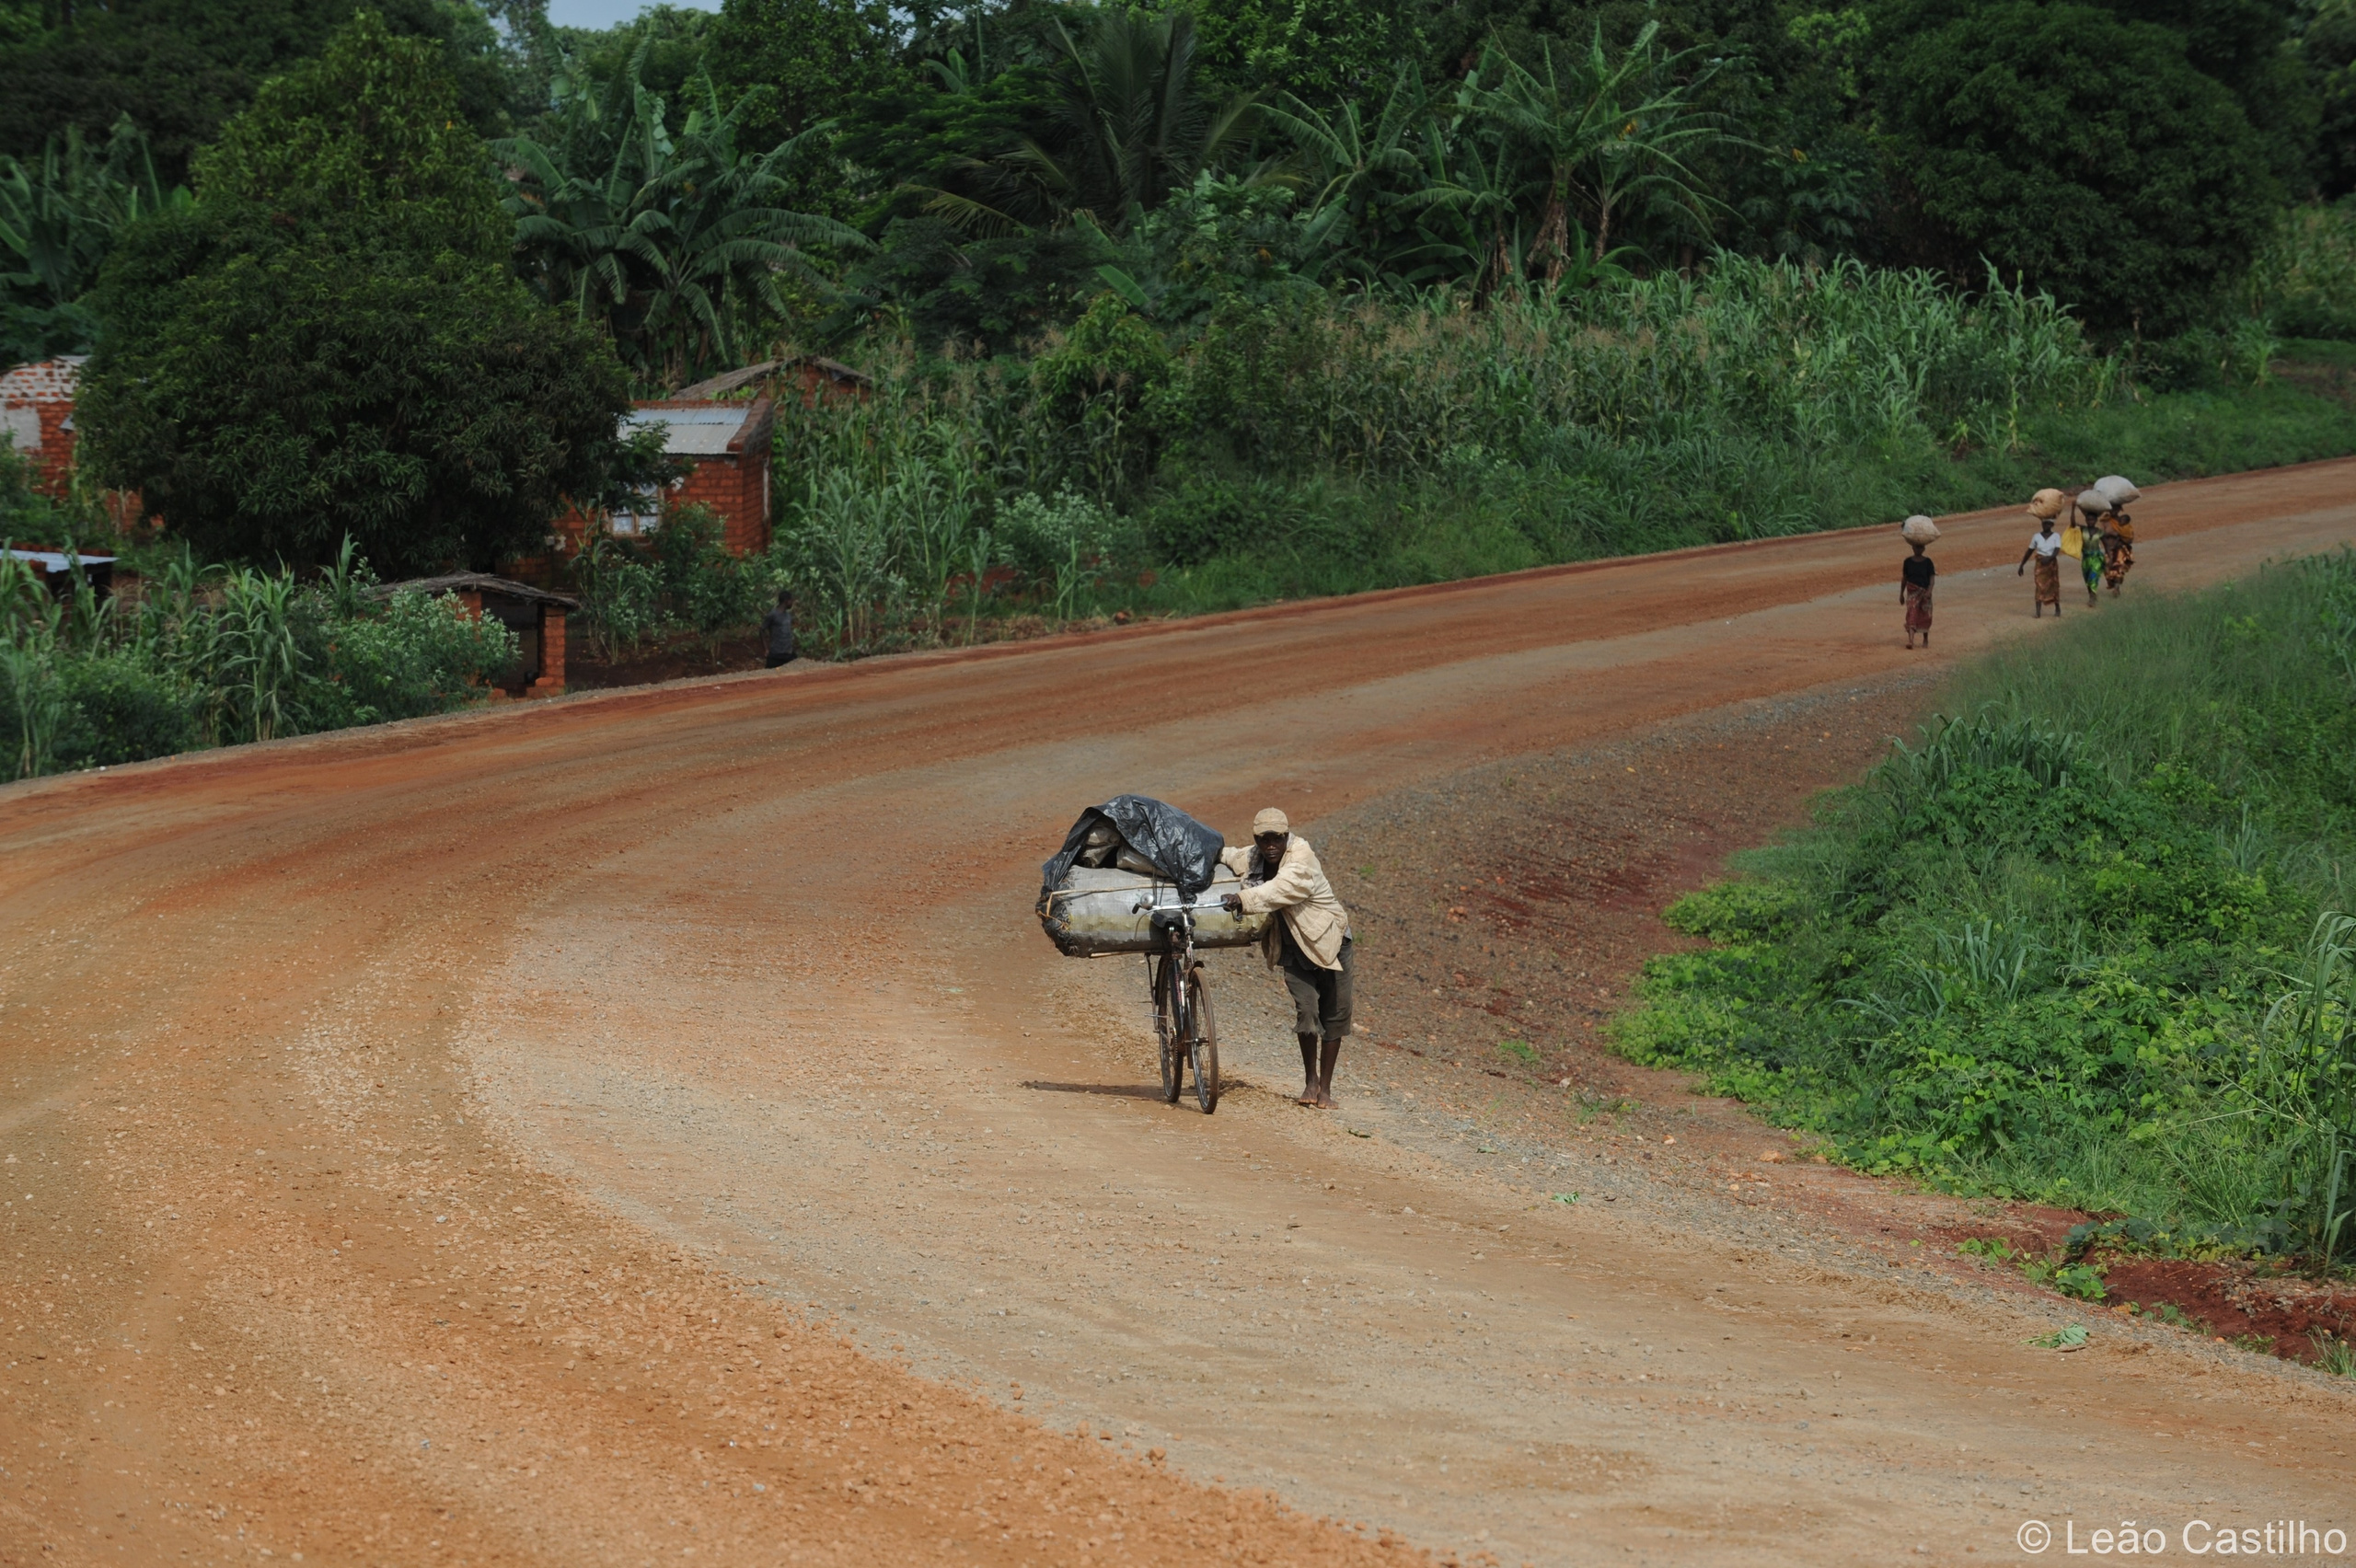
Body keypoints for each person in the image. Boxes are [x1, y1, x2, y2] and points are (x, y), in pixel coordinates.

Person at [1218, 808, 1354, 1108]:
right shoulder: (1253, 857)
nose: (1270, 846)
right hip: (1293, 947)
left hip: (1331, 943)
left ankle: (1326, 1090)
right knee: (1306, 1010)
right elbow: (1229, 855)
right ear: (1256, 839)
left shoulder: (1301, 856)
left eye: (1276, 839)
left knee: (1335, 1015)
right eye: (1263, 840)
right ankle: (1310, 1081)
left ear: (1286, 836)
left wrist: (1241, 899)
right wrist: (1208, 850)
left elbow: (1281, 889)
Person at [2018, 513, 2064, 617]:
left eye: (2048, 524)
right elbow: (2029, 551)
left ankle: (2057, 608)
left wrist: (2049, 559)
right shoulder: (2036, 536)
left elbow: (2057, 550)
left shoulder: (2056, 536)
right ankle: (2038, 611)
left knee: (2054, 585)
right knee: (2039, 585)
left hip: (2051, 564)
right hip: (2040, 563)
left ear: (2052, 525)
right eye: (2044, 524)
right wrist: (2022, 565)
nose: (2046, 526)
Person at [1900, 538, 1934, 649]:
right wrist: (1901, 593)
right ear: (1912, 548)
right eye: (1916, 547)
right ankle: (1911, 641)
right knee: (1912, 614)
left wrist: (1929, 591)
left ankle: (1926, 639)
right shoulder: (1907, 562)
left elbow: (1932, 579)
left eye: (1920, 547)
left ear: (1924, 548)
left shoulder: (1928, 562)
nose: (1918, 550)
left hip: (1925, 592)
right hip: (1912, 592)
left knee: (1925, 615)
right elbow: (1904, 579)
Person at [762, 588, 796, 668]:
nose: (792, 603)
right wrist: (766, 649)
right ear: (786, 601)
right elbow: (762, 630)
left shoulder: (788, 615)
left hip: (788, 654)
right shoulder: (773, 615)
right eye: (791, 601)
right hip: (776, 654)